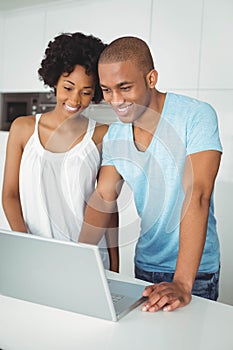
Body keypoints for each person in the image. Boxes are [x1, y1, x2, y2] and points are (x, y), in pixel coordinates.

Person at [79, 36, 222, 311]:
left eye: (125, 87)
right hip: (145, 265)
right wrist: (77, 257)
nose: (115, 100)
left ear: (151, 78)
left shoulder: (196, 116)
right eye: (107, 90)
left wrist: (182, 282)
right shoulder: (115, 135)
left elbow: (198, 194)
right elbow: (104, 195)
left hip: (194, 272)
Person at [2, 32, 119, 272]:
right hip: (35, 257)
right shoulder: (23, 129)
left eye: (86, 92)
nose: (75, 99)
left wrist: (115, 262)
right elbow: (10, 195)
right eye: (68, 87)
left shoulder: (102, 135)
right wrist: (26, 245)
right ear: (54, 80)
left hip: (87, 260)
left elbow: (108, 203)